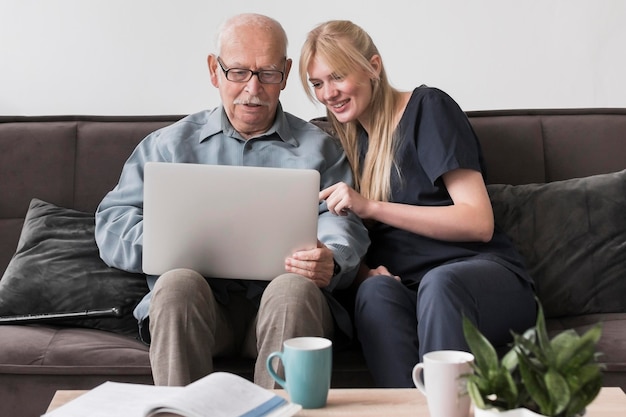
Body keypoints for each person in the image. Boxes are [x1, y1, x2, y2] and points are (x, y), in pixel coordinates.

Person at [95, 13, 368, 388]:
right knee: (175, 285)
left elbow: (343, 221)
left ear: (286, 74)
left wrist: (331, 259)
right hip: (200, 308)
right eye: (238, 72)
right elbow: (112, 220)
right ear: (214, 70)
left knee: (292, 289)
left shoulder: (320, 148)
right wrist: (165, 243)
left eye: (268, 73)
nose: (252, 89)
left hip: (284, 305)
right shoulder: (168, 145)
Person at [299, 20, 537, 388]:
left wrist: (372, 207)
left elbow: (478, 221)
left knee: (441, 285)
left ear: (373, 67)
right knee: (374, 294)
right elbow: (344, 233)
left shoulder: (428, 108)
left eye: (338, 76)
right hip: (409, 288)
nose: (328, 93)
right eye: (317, 83)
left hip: (481, 279)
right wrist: (364, 274)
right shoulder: (343, 142)